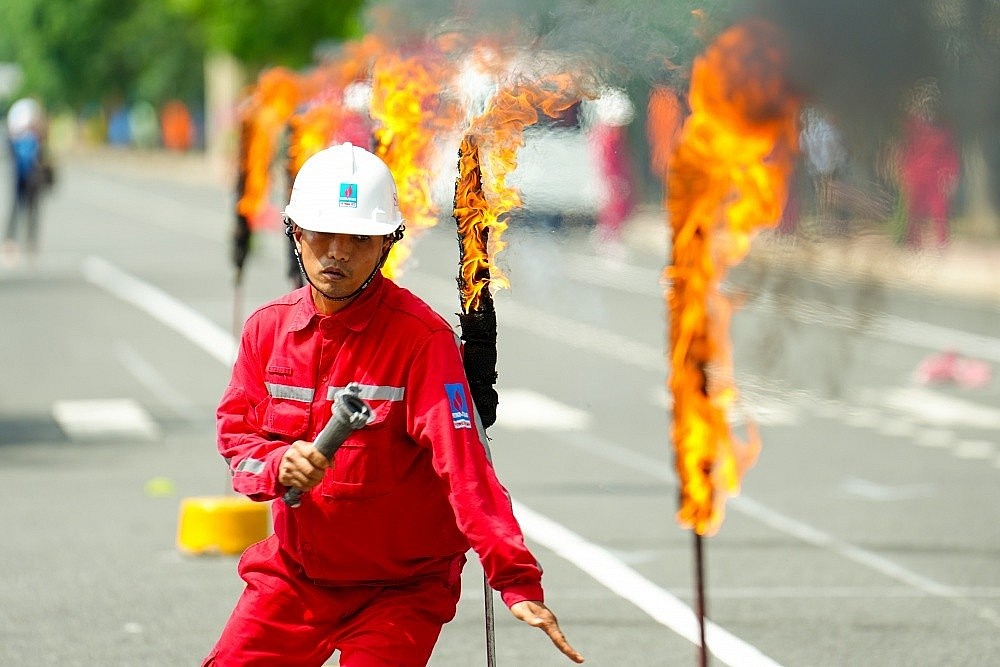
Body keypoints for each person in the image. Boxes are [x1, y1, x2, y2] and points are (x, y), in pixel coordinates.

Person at [204, 142, 584, 667]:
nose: (337, 251)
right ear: (295, 233)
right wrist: (277, 464)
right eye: (322, 232)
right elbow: (237, 443)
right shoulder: (267, 331)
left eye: (359, 238)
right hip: (295, 578)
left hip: (402, 590)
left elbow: (466, 469)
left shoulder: (422, 341)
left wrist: (516, 581)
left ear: (387, 244)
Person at [3, 97, 52, 263]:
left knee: (33, 206)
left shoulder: (37, 134)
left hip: (33, 173)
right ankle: (10, 240)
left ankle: (30, 241)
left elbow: (43, 147)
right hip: (20, 172)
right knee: (16, 206)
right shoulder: (18, 132)